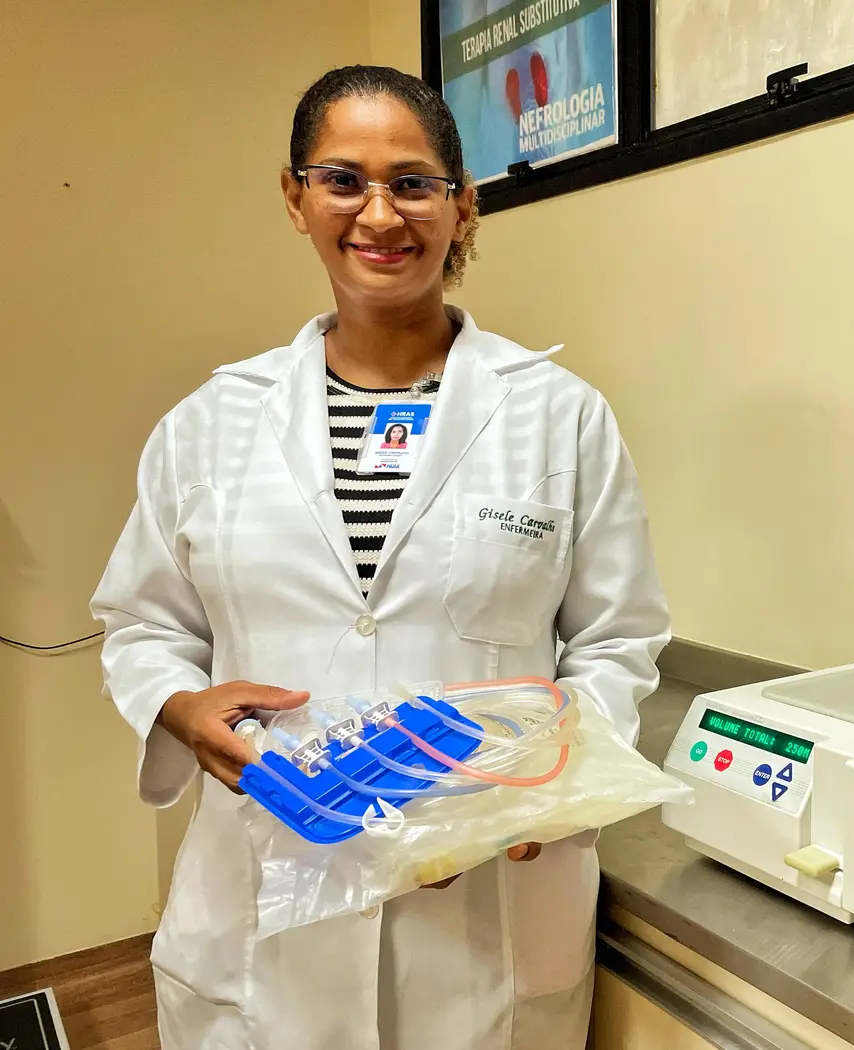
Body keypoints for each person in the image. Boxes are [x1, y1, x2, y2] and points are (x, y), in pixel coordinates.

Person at [90, 65, 669, 1050]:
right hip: (265, 899)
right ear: (296, 198)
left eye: (412, 183)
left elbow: (617, 641)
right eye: (342, 180)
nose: (380, 214)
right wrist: (179, 708)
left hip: (480, 909)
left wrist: (536, 790)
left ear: (461, 203)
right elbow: (144, 623)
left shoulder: (557, 417)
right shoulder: (209, 423)